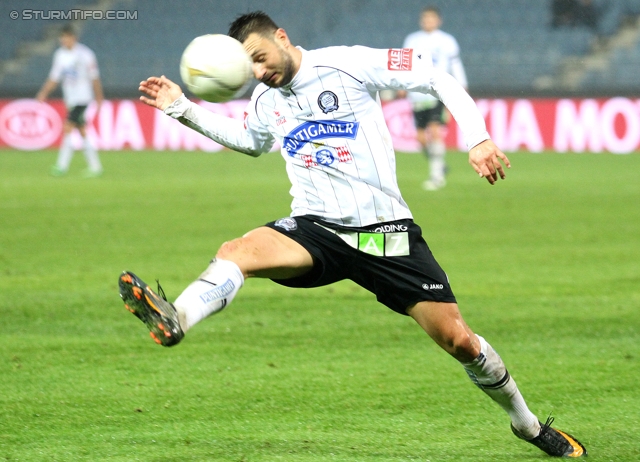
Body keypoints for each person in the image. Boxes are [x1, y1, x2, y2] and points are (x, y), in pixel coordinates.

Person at [119, 11, 587, 458]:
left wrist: (477, 137)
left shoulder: (347, 64)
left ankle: (526, 424)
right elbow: (252, 141)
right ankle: (176, 316)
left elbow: (434, 76)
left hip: (385, 236)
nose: (259, 73)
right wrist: (181, 108)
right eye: (250, 68)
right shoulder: (265, 100)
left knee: (460, 342)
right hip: (316, 229)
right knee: (236, 251)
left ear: (281, 37)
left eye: (261, 58)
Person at [400, 6, 468, 191]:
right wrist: (401, 85)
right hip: (417, 94)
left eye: (431, 18)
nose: (428, 21)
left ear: (438, 20)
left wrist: (462, 84)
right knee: (421, 139)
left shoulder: (447, 41)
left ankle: (436, 176)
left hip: (438, 92)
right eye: (425, 18)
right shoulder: (412, 39)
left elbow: (455, 63)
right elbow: (405, 66)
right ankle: (439, 165)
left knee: (435, 130)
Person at [36, 24, 103, 177]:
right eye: (62, 38)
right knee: (82, 131)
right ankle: (95, 166)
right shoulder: (60, 55)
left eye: (66, 37)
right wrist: (43, 93)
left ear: (74, 38)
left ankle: (62, 166)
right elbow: (54, 78)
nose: (63, 40)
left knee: (67, 127)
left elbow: (95, 78)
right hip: (70, 99)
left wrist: (99, 98)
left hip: (83, 98)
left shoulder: (86, 55)